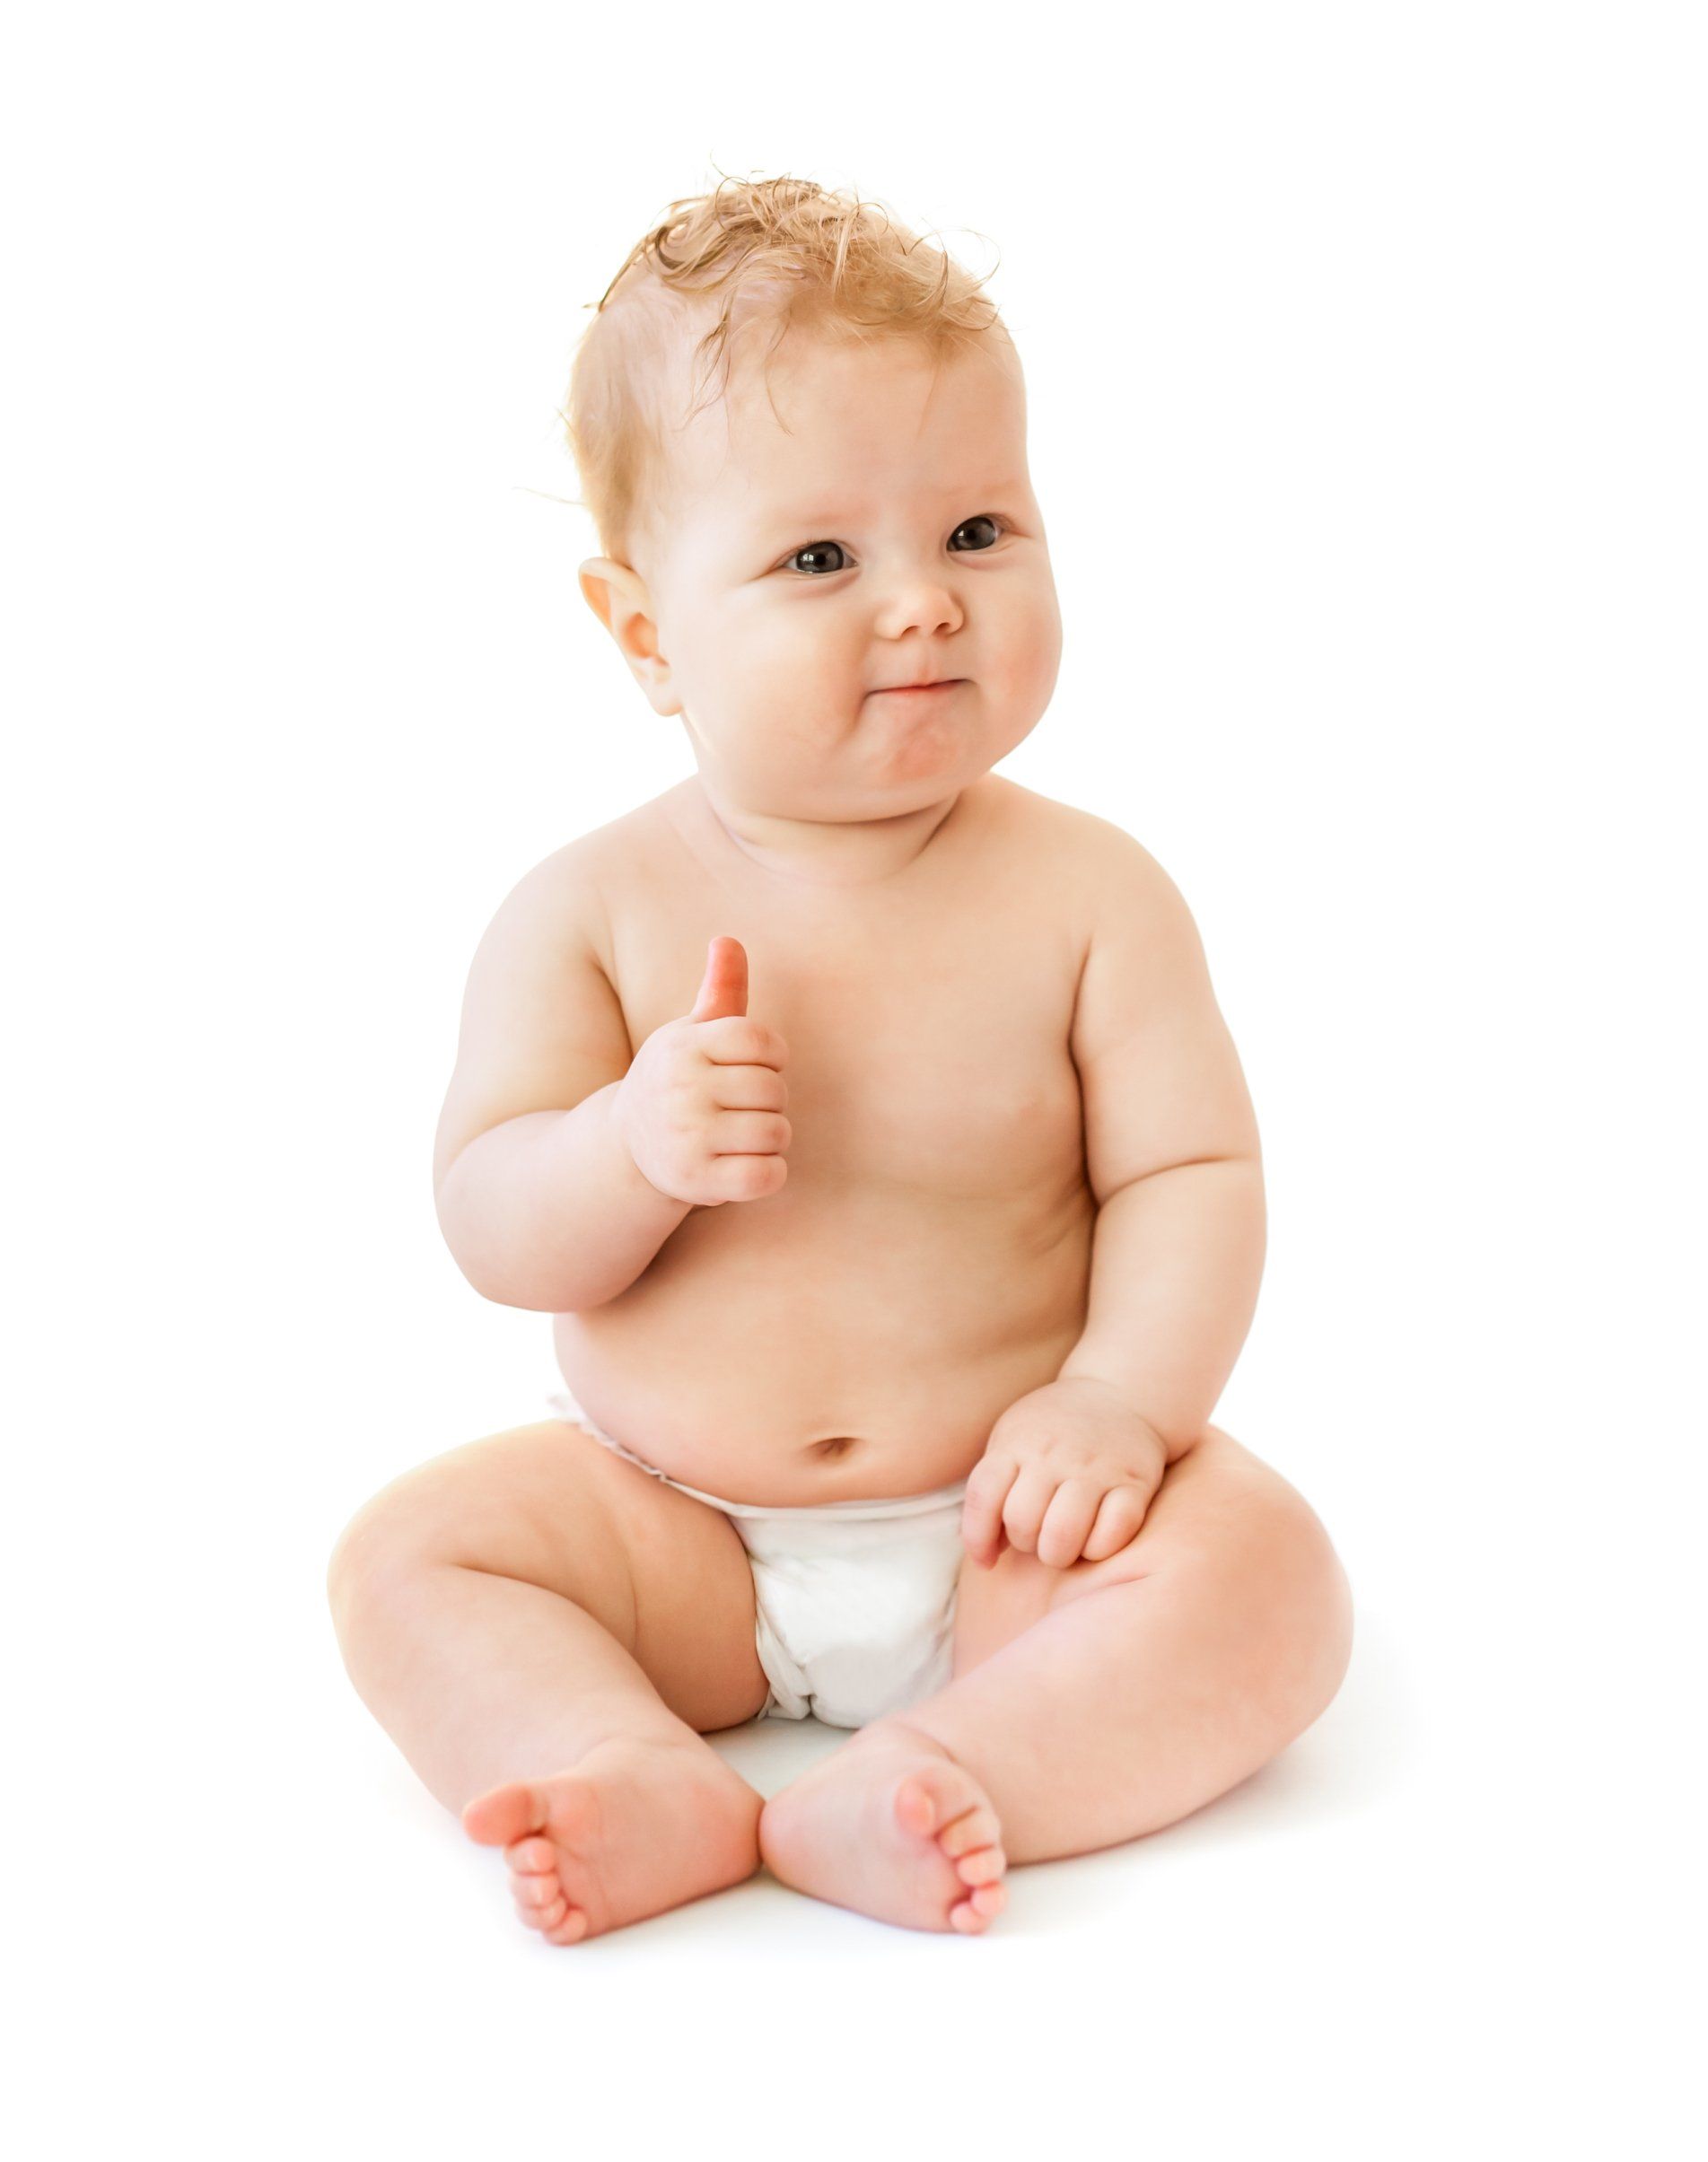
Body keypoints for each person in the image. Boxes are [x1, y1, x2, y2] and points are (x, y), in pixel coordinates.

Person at [327, 173, 1353, 1942]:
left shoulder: (1092, 893)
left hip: (1012, 1534)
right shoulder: (590, 908)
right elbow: (494, 1221)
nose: (923, 604)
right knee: (411, 1556)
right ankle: (617, 1753)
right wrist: (628, 1150)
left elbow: (1190, 1172)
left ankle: (954, 1767)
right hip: (677, 1534)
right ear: (647, 632)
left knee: (1274, 1578)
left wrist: (1120, 1400)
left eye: (975, 531)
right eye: (822, 557)